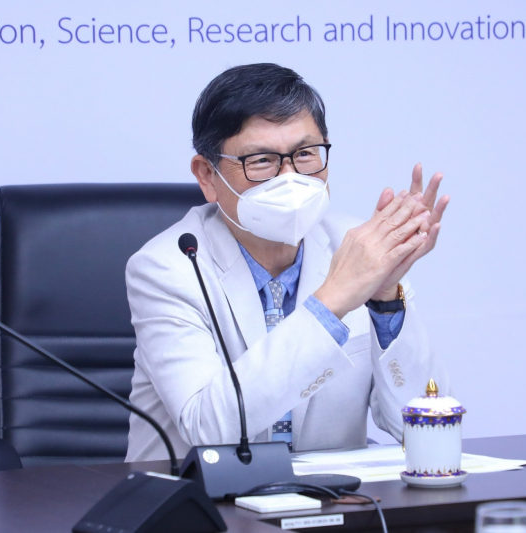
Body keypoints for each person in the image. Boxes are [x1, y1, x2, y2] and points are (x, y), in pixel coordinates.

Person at [125, 63, 451, 462]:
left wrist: (385, 300)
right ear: (207, 175)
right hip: (201, 497)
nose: (290, 176)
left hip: (332, 495)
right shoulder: (166, 269)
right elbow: (206, 428)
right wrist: (332, 301)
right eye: (261, 160)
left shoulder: (358, 247)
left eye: (305, 154)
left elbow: (422, 424)